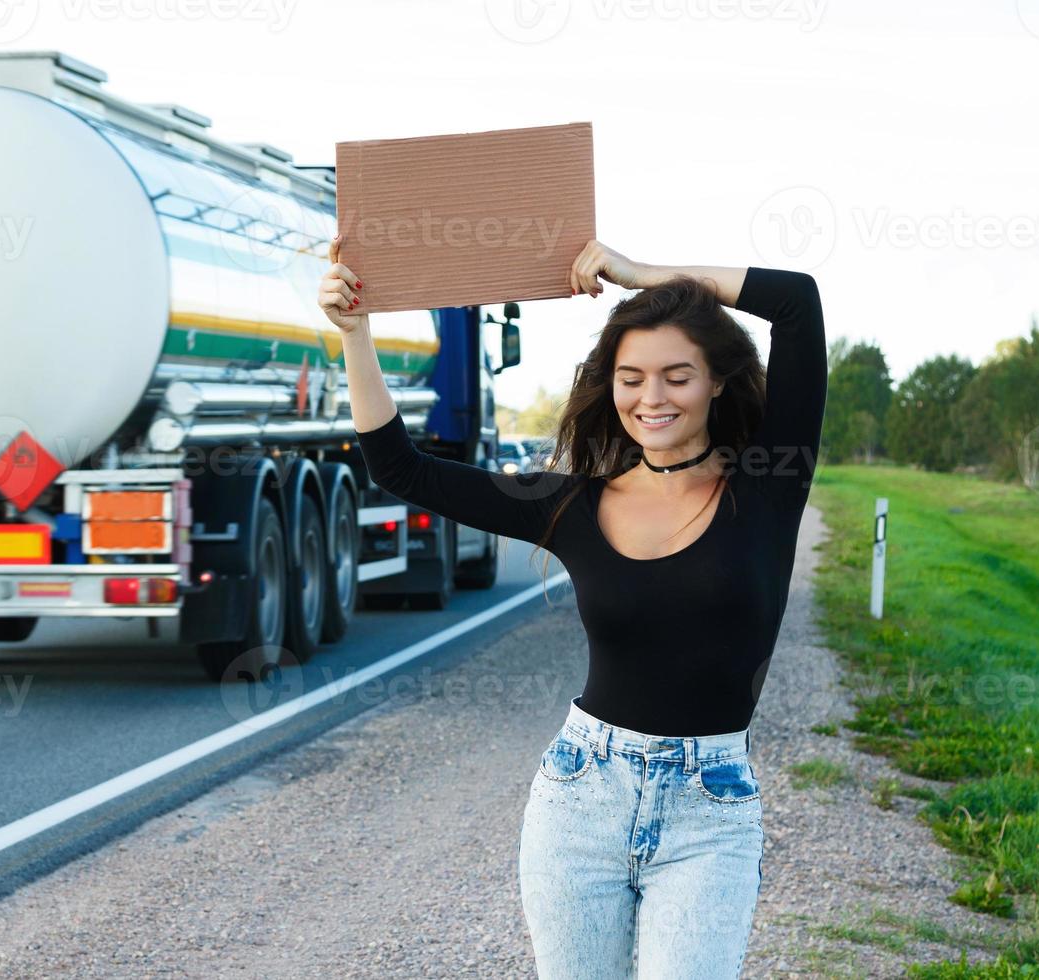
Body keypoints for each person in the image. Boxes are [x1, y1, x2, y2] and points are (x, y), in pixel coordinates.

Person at [317, 237, 826, 979]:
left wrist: (642, 276)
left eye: (676, 376)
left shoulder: (771, 487)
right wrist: (355, 333)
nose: (652, 398)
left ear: (716, 381)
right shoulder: (573, 506)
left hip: (709, 813)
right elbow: (401, 468)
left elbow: (796, 301)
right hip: (581, 796)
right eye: (631, 379)